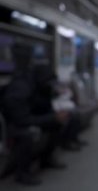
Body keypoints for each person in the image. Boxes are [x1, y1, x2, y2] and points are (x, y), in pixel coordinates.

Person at [1, 43, 67, 185]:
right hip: (13, 124)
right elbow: (21, 119)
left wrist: (53, 114)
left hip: (25, 117)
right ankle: (22, 173)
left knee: (55, 123)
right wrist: (51, 117)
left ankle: (46, 159)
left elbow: (37, 104)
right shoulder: (19, 87)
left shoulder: (30, 79)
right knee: (28, 134)